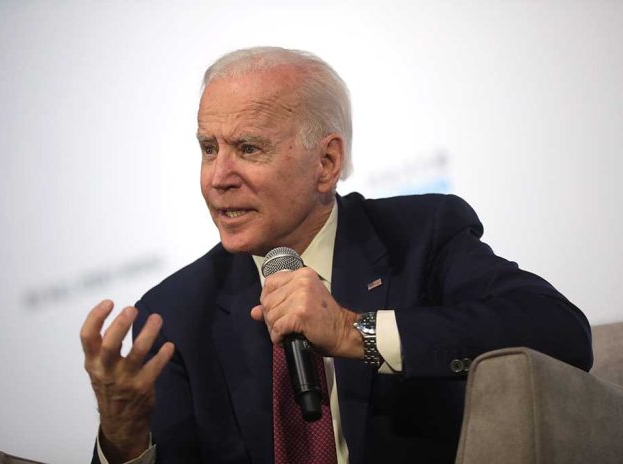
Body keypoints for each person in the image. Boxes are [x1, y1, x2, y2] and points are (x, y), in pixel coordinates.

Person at [80, 47, 593, 464]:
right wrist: (122, 441)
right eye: (209, 148)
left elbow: (562, 334)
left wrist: (355, 332)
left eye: (248, 148)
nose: (218, 177)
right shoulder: (173, 314)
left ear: (326, 162)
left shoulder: (420, 237)